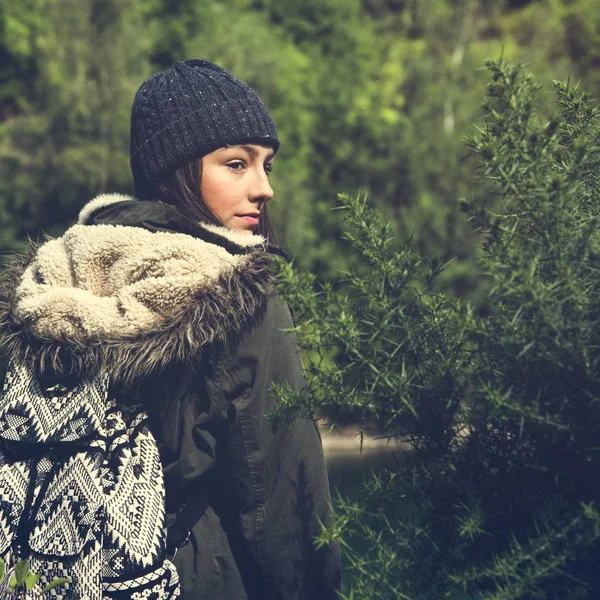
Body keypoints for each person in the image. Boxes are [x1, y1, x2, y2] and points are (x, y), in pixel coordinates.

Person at [0, 59, 340, 599]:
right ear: (176, 171)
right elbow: (279, 497)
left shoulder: (52, 284)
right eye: (236, 164)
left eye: (266, 165)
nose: (264, 188)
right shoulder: (236, 296)